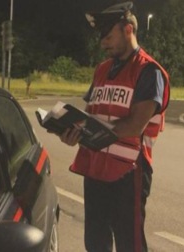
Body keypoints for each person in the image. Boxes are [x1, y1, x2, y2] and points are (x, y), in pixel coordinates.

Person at [59, 2, 170, 251]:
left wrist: (92, 132)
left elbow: (134, 125)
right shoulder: (101, 70)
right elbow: (91, 113)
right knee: (95, 243)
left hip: (129, 172)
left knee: (128, 244)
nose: (103, 43)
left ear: (128, 30)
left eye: (109, 36)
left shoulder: (148, 71)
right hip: (95, 168)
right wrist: (72, 132)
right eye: (102, 38)